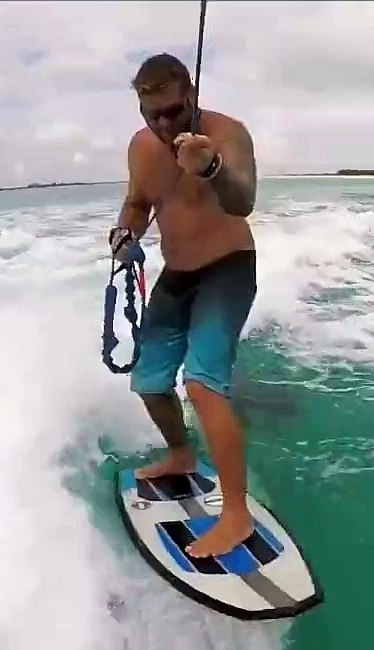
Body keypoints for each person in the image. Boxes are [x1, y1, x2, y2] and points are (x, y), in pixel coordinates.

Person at [109, 53, 258, 559]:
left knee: (201, 382)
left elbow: (243, 200)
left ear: (192, 94)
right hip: (177, 275)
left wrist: (211, 166)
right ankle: (180, 455)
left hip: (229, 268)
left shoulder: (228, 133)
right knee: (149, 381)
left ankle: (235, 513)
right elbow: (139, 203)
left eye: (175, 110)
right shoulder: (141, 148)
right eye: (155, 115)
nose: (166, 124)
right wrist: (125, 232)